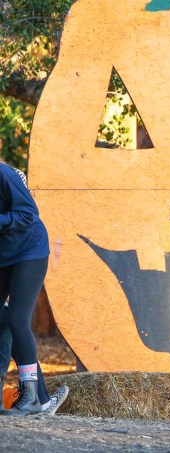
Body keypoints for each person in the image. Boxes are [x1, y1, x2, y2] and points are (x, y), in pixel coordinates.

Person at [0, 160, 68, 415]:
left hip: (29, 251)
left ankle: (31, 398)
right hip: (4, 254)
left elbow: (28, 214)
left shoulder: (4, 175)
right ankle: (41, 399)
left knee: (16, 319)